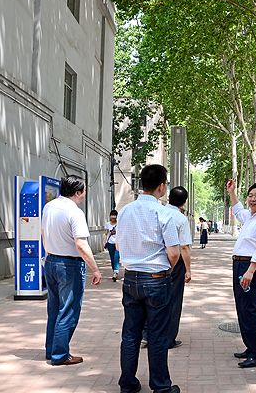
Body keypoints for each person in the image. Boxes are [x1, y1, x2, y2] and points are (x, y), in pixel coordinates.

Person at [116, 164, 181, 393]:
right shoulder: (164, 213)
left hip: (131, 278)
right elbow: (174, 253)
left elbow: (118, 244)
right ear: (162, 186)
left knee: (131, 333)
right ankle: (161, 386)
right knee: (157, 335)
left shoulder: (124, 211)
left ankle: (128, 383)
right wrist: (167, 271)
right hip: (156, 279)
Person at [41, 175, 102, 366]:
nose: (84, 195)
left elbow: (43, 233)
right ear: (77, 192)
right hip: (69, 265)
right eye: (83, 191)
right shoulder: (74, 212)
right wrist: (95, 269)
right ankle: (60, 355)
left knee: (54, 309)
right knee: (68, 310)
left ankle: (51, 350)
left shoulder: (49, 207)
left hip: (50, 261)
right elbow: (81, 244)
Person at [226, 180, 256, 368]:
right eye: (250, 196)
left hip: (249, 267)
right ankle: (250, 346)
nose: (252, 199)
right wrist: (232, 192)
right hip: (239, 265)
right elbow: (238, 210)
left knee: (248, 309)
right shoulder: (250, 216)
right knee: (242, 308)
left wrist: (250, 271)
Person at [165, 186, 193, 349]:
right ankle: (169, 338)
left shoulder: (158, 212)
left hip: (157, 262)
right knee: (174, 300)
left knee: (154, 299)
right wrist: (188, 269)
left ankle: (148, 334)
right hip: (175, 264)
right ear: (184, 202)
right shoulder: (180, 219)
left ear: (168, 198)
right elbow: (184, 248)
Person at [103, 209, 120, 282]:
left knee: (116, 257)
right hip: (110, 243)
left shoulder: (119, 224)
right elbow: (105, 233)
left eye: (114, 216)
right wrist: (104, 242)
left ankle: (116, 272)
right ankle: (114, 271)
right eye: (112, 216)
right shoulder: (107, 224)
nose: (113, 218)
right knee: (112, 258)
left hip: (118, 243)